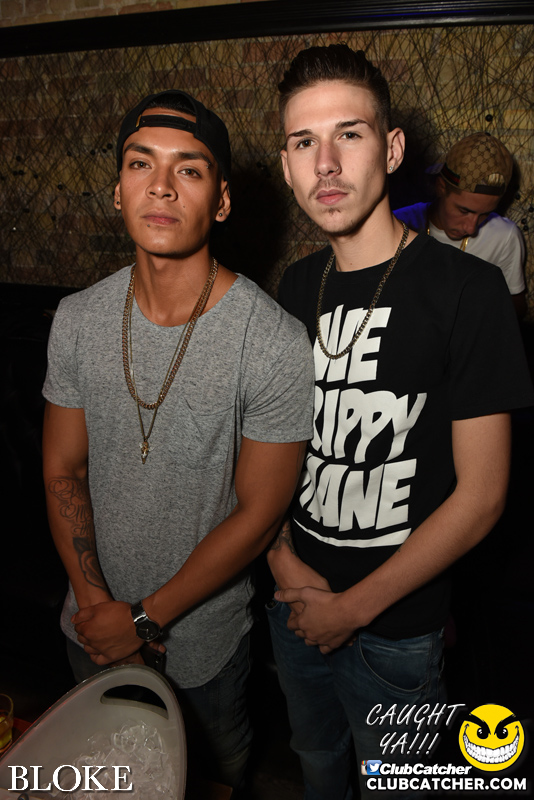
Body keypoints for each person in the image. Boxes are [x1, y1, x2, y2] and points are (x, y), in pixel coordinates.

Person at [266, 44, 533, 799]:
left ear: (391, 149)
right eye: (303, 142)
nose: (325, 164)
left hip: (397, 629)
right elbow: (273, 451)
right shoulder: (295, 285)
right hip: (293, 601)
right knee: (316, 763)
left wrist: (351, 610)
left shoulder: (469, 291)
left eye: (348, 135)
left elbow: (482, 496)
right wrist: (281, 559)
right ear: (285, 165)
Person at [42, 89, 314, 790]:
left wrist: (141, 620)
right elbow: (64, 470)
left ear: (221, 201)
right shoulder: (76, 319)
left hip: (201, 654)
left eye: (188, 169)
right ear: (117, 190)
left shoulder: (273, 342)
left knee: (208, 781)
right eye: (141, 163)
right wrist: (98, 611)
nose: (160, 185)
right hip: (89, 630)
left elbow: (260, 513)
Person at [394, 133, 527, 317]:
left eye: (485, 214)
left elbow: (516, 309)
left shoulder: (505, 236)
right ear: (441, 187)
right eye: (464, 211)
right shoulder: (399, 223)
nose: (471, 228)